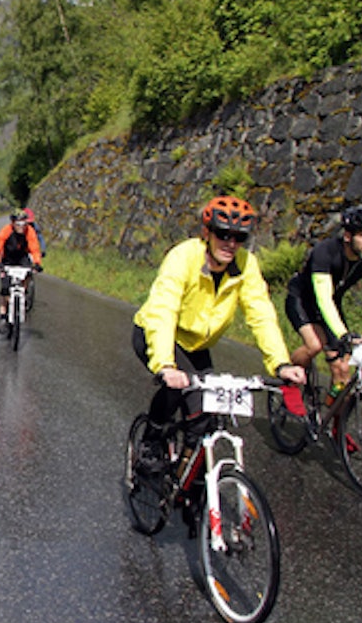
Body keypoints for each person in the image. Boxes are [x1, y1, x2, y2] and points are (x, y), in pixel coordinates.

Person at [131, 195, 306, 472]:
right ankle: (151, 440)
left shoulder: (246, 265)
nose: (231, 243)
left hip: (197, 345)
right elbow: (163, 311)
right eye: (223, 234)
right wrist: (165, 365)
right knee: (178, 390)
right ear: (207, 233)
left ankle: (192, 479)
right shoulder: (183, 257)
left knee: (206, 417)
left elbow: (261, 314)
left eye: (239, 237)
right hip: (158, 334)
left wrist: (281, 363)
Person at [283, 204, 362, 416]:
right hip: (302, 300)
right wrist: (343, 334)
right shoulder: (326, 251)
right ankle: (289, 380)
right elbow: (322, 298)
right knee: (315, 345)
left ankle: (336, 425)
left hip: (332, 304)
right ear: (348, 236)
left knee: (342, 369)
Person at [0, 211, 44, 331]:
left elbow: (35, 249)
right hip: (8, 259)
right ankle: (3, 315)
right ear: (13, 223)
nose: (21, 227)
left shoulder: (29, 231)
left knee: (28, 274)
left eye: (23, 223)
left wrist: (37, 263)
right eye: (18, 224)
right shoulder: (6, 230)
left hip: (22, 258)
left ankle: (22, 294)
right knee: (5, 289)